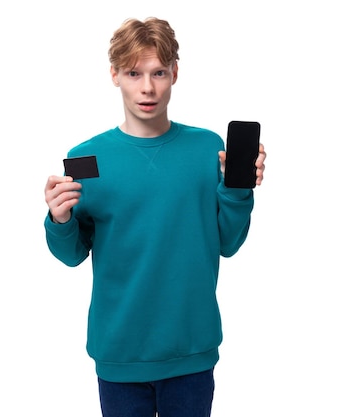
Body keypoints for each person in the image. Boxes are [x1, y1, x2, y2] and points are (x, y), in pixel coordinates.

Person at [44, 17, 266, 417]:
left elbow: (228, 243)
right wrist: (59, 221)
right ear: (115, 75)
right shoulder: (85, 158)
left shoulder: (207, 148)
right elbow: (73, 253)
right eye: (134, 73)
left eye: (158, 72)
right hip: (120, 350)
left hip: (191, 347)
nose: (147, 87)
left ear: (174, 73)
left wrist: (238, 189)